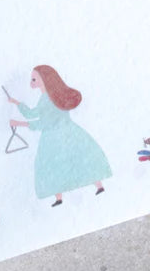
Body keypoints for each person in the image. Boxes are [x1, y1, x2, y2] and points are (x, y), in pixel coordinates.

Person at [8, 65, 112, 207]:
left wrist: (19, 122)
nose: (31, 83)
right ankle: (96, 186)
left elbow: (41, 122)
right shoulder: (52, 96)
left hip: (54, 137)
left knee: (54, 165)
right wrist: (16, 103)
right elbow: (34, 115)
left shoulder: (47, 99)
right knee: (78, 158)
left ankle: (60, 197)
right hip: (69, 132)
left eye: (34, 79)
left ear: (44, 79)